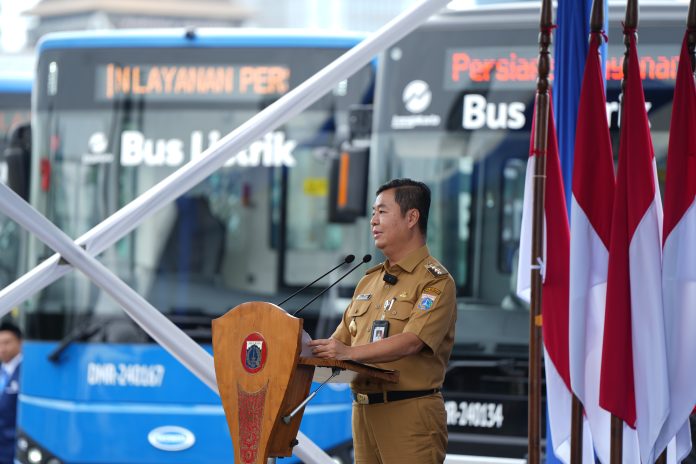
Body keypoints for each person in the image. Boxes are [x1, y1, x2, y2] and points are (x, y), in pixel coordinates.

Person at [309, 178, 456, 463]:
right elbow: (338, 343)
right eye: (373, 212)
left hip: (409, 414)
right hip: (363, 413)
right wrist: (300, 353)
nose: (373, 221)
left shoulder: (436, 282)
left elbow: (413, 341)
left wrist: (349, 353)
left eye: (382, 212)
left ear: (412, 217)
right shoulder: (369, 281)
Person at [0, 321, 22, 464]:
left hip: (14, 448)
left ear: (20, 342)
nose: (2, 348)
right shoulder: (1, 370)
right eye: (0, 344)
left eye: (7, 343)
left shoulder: (28, 372)